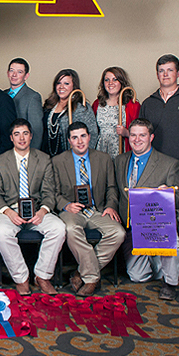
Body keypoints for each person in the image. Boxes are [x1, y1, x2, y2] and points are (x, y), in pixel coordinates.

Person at [139, 54, 179, 279]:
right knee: (158, 221)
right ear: (157, 74)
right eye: (161, 70)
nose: (165, 74)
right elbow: (142, 137)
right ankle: (159, 266)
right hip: (154, 171)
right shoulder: (149, 103)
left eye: (169, 70)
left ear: (178, 73)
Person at [0, 119, 66, 295]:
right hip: (11, 210)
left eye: (25, 133)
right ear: (11, 138)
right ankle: (21, 278)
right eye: (17, 134)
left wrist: (42, 211)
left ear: (31, 136)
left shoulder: (44, 159)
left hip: (37, 210)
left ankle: (42, 276)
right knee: (1, 233)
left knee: (58, 228)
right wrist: (8, 212)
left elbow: (49, 192)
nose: (21, 138)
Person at [114, 119, 179, 301]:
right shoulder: (120, 161)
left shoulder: (169, 164)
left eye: (142, 135)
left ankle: (170, 283)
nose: (137, 139)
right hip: (131, 228)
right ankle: (157, 260)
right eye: (133, 135)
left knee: (173, 242)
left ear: (151, 137)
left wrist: (166, 195)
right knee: (137, 276)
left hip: (157, 227)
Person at [52, 122, 126, 296]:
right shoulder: (57, 161)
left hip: (97, 209)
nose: (80, 141)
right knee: (70, 229)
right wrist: (65, 204)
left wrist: (110, 206)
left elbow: (112, 187)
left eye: (83, 136)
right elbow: (52, 192)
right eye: (75, 137)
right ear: (69, 140)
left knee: (119, 233)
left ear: (89, 137)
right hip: (72, 210)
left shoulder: (104, 158)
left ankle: (81, 272)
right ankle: (92, 278)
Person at [42, 68, 98, 157]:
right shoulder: (49, 105)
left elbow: (92, 134)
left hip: (69, 158)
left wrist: (82, 157)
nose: (61, 87)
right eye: (58, 83)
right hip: (47, 156)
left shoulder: (81, 107)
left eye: (66, 83)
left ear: (74, 86)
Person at [93, 67, 140, 159]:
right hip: (100, 151)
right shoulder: (97, 104)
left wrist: (126, 132)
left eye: (115, 79)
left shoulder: (132, 105)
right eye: (107, 80)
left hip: (122, 152)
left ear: (121, 82)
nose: (110, 83)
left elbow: (141, 133)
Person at [5, 57, 43, 149]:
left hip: (23, 151)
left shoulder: (33, 97)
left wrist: (32, 156)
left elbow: (36, 131)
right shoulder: (2, 94)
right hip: (4, 151)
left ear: (26, 76)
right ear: (7, 73)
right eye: (12, 71)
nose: (14, 75)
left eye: (19, 72)